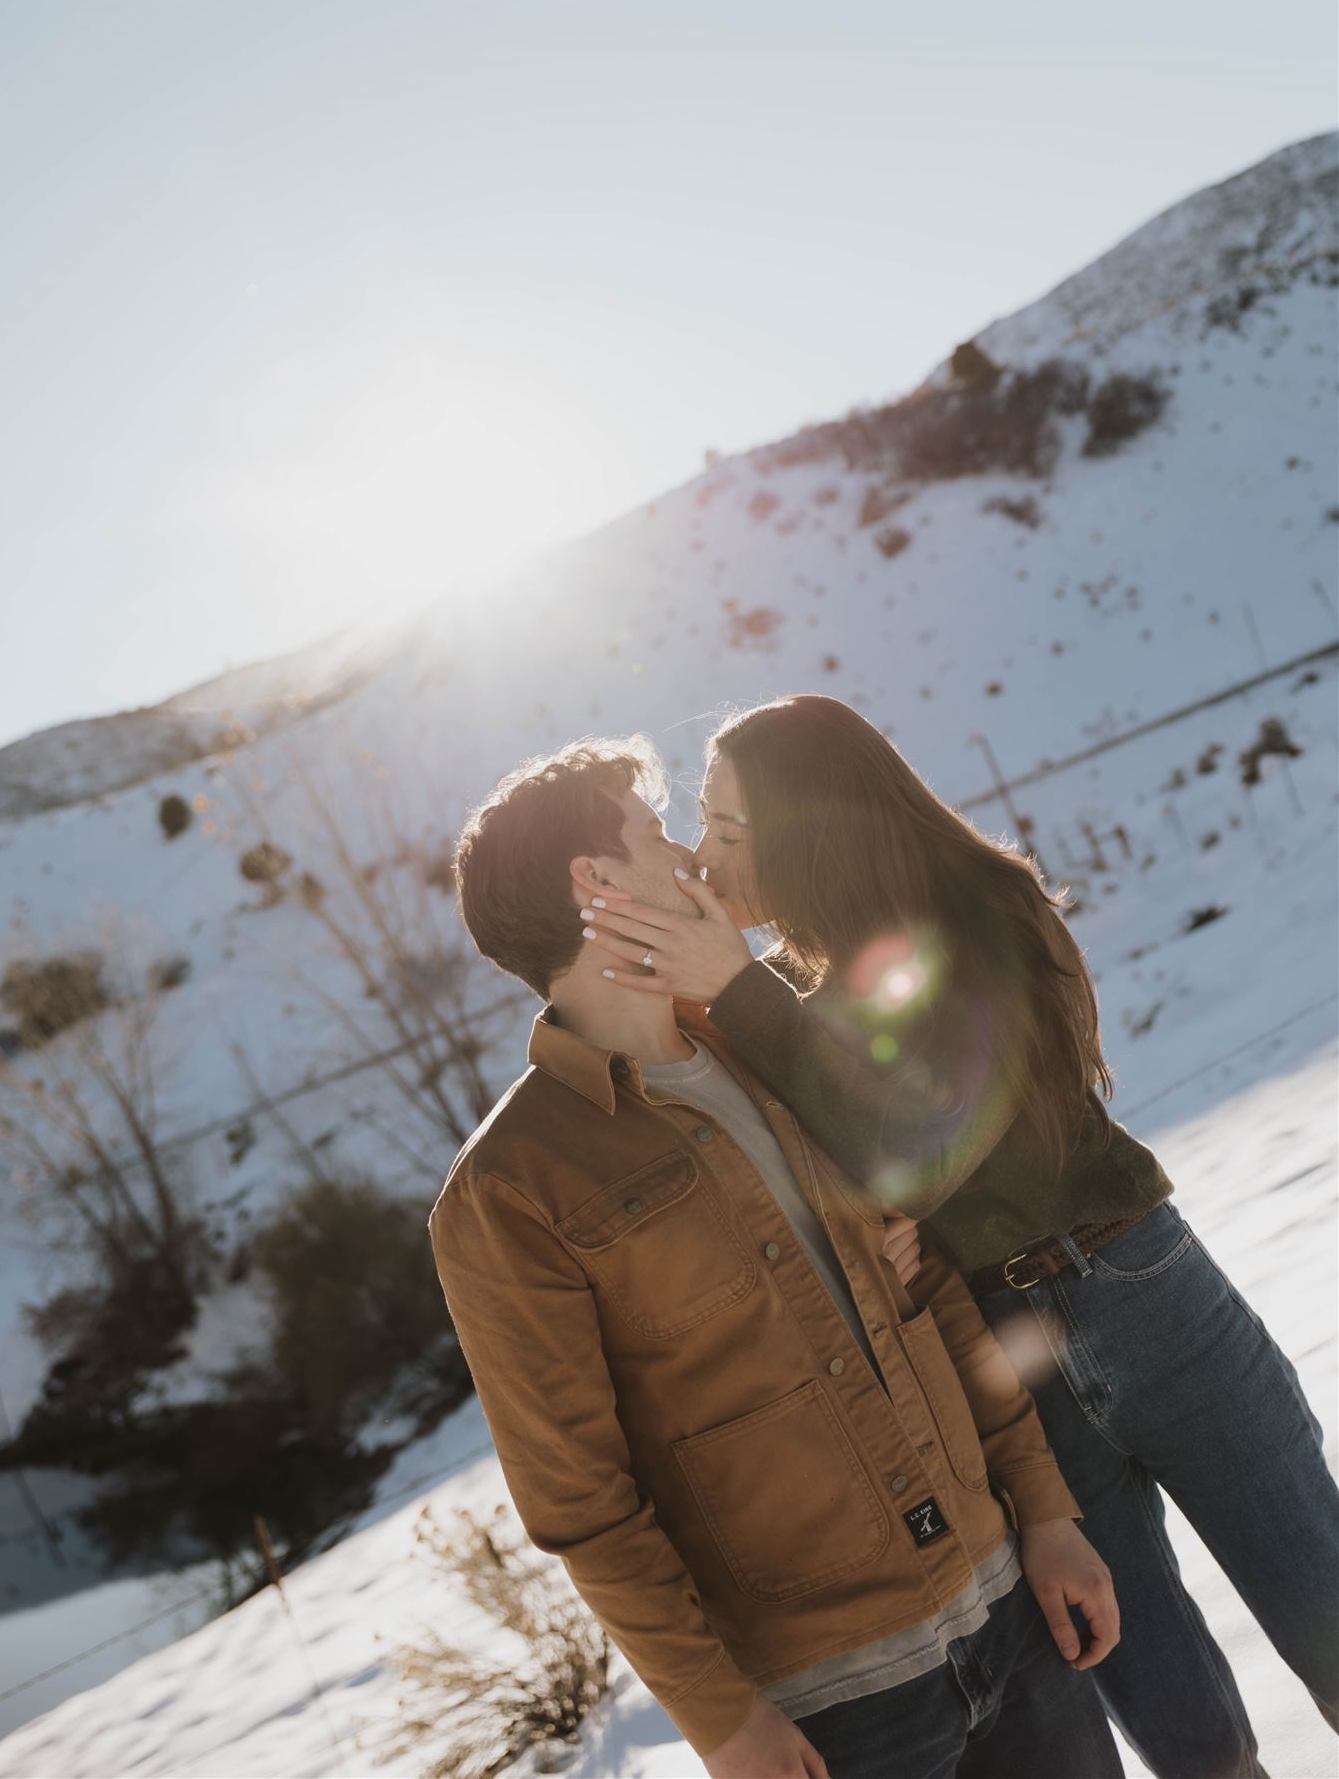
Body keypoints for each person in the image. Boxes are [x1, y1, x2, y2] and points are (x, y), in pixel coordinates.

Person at [590, 692, 1339, 1779]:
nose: (706, 857)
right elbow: (851, 1178)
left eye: (733, 833)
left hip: (1142, 1290)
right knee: (1186, 1727)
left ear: (816, 835)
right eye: (705, 826)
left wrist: (746, 1000)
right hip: (1005, 1351)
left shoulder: (973, 908)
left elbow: (922, 1148)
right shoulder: (802, 997)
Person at [429, 736, 1125, 1779]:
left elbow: (926, 1278)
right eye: (657, 833)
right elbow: (583, 1499)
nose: (690, 858)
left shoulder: (768, 1044)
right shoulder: (508, 1190)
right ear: (597, 881)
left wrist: (1047, 1508)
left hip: (1009, 1610)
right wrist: (719, 1719)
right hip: (839, 1709)